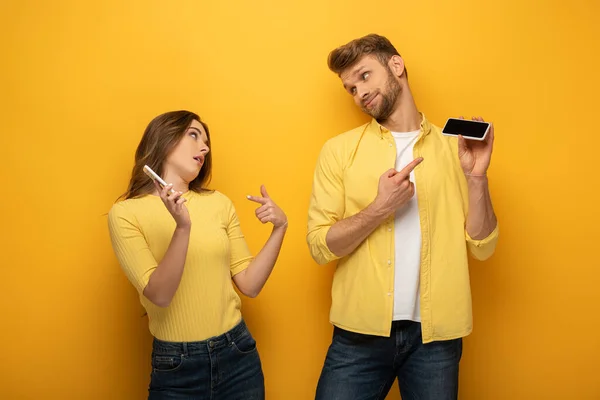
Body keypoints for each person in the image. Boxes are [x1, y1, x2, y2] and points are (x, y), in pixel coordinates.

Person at [306, 34, 499, 400]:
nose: (358, 93)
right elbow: (320, 246)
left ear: (396, 66)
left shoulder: (452, 147)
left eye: (364, 76)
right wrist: (380, 207)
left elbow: (484, 247)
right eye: (350, 88)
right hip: (358, 337)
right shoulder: (338, 151)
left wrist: (476, 177)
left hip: (436, 340)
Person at [108, 110, 287, 400]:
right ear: (164, 138)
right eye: (194, 135)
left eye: (206, 141)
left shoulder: (218, 203)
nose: (204, 147)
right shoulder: (126, 214)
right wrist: (182, 227)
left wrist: (280, 229)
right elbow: (160, 294)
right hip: (177, 366)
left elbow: (249, 284)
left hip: (237, 354)